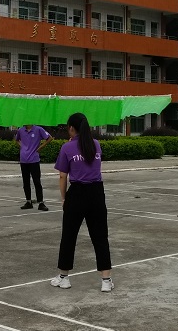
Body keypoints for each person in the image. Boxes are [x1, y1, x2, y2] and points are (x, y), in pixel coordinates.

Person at [50, 113, 113, 292]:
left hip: (77, 193)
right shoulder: (96, 144)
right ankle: (106, 280)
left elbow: (63, 176)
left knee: (69, 236)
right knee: (100, 237)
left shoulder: (67, 148)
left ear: (71, 128)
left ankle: (64, 277)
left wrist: (64, 198)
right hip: (97, 193)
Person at [15, 124, 52, 211]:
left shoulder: (38, 129)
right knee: (26, 181)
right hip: (24, 160)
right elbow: (16, 140)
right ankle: (28, 201)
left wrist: (40, 147)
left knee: (37, 181)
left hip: (34, 159)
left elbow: (49, 138)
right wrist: (22, 147)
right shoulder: (21, 130)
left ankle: (41, 202)